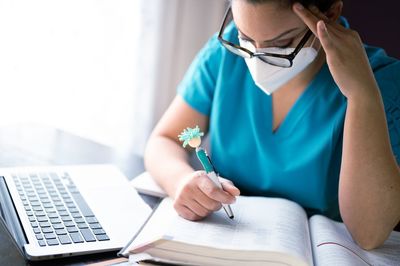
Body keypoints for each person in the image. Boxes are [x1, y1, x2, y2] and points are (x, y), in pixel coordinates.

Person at [144, 0, 400, 250]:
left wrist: (362, 96)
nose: (257, 57)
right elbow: (164, 140)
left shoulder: (381, 83)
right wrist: (180, 181)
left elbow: (369, 234)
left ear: (331, 13)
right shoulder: (227, 50)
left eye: (282, 43)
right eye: (246, 36)